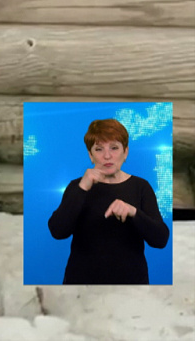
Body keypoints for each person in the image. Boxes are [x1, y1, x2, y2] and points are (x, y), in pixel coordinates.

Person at [47, 118, 170, 284]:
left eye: (114, 148)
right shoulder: (77, 186)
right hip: (81, 286)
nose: (107, 156)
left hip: (131, 285)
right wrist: (82, 188)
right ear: (90, 155)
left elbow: (160, 239)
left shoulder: (141, 186)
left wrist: (133, 212)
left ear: (125, 152)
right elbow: (58, 231)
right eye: (99, 149)